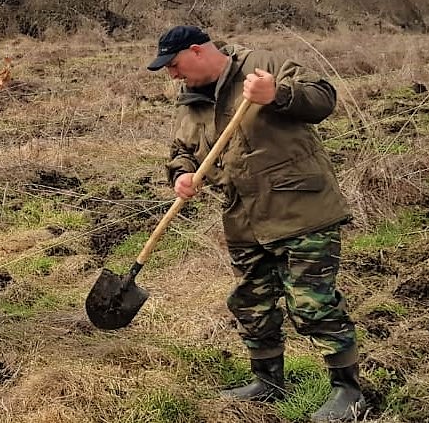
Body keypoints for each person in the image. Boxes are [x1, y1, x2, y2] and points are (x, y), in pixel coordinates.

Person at [148, 25, 366, 422]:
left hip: (301, 210)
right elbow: (182, 151)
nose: (173, 76)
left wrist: (278, 95)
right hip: (243, 219)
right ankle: (268, 381)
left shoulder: (264, 65)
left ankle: (348, 390)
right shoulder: (191, 102)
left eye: (175, 66)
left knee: (312, 305)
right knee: (251, 303)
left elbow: (324, 99)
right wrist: (181, 173)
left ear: (197, 51)